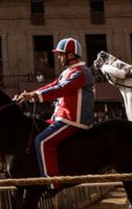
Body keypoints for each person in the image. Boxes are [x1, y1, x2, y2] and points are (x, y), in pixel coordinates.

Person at [16, 37, 94, 190]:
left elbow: (61, 89)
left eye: (61, 54)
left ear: (71, 55)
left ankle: (54, 183)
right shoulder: (68, 71)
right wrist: (31, 94)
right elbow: (53, 85)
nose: (59, 58)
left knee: (42, 141)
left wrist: (34, 96)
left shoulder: (81, 72)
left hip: (73, 120)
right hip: (62, 118)